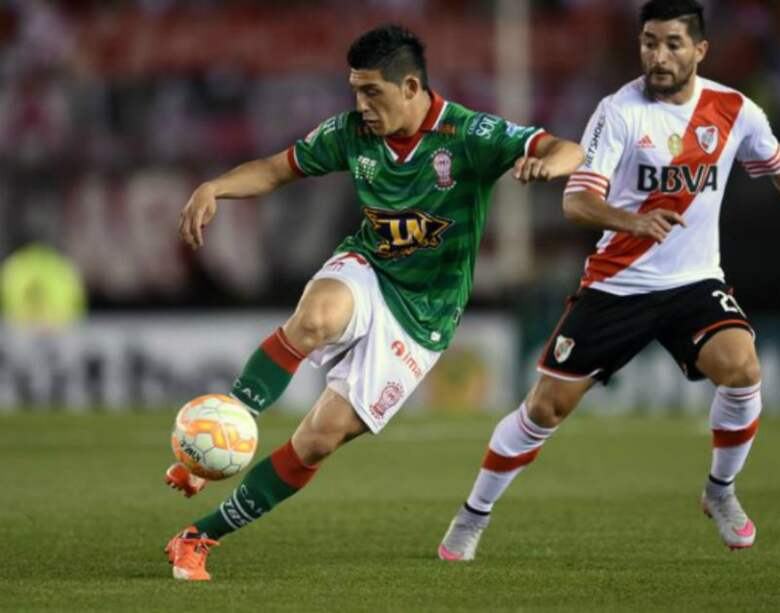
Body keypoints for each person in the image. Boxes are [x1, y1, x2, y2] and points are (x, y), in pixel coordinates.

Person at [437, 0, 780, 561]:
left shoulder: (734, 110)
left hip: (694, 283)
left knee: (742, 368)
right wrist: (633, 220)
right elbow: (578, 201)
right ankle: (472, 517)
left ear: (700, 50)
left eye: (671, 43)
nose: (658, 56)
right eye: (649, 42)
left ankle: (719, 491)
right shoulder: (619, 111)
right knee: (545, 409)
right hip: (618, 283)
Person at [162, 24, 584, 581]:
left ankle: (197, 537)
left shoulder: (468, 134)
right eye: (355, 91)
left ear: (410, 87)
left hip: (424, 317)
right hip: (368, 268)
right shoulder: (351, 134)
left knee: (316, 441)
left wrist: (550, 164)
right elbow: (275, 169)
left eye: (371, 93)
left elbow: (565, 148)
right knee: (315, 317)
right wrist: (213, 187)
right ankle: (217, 436)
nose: (359, 106)